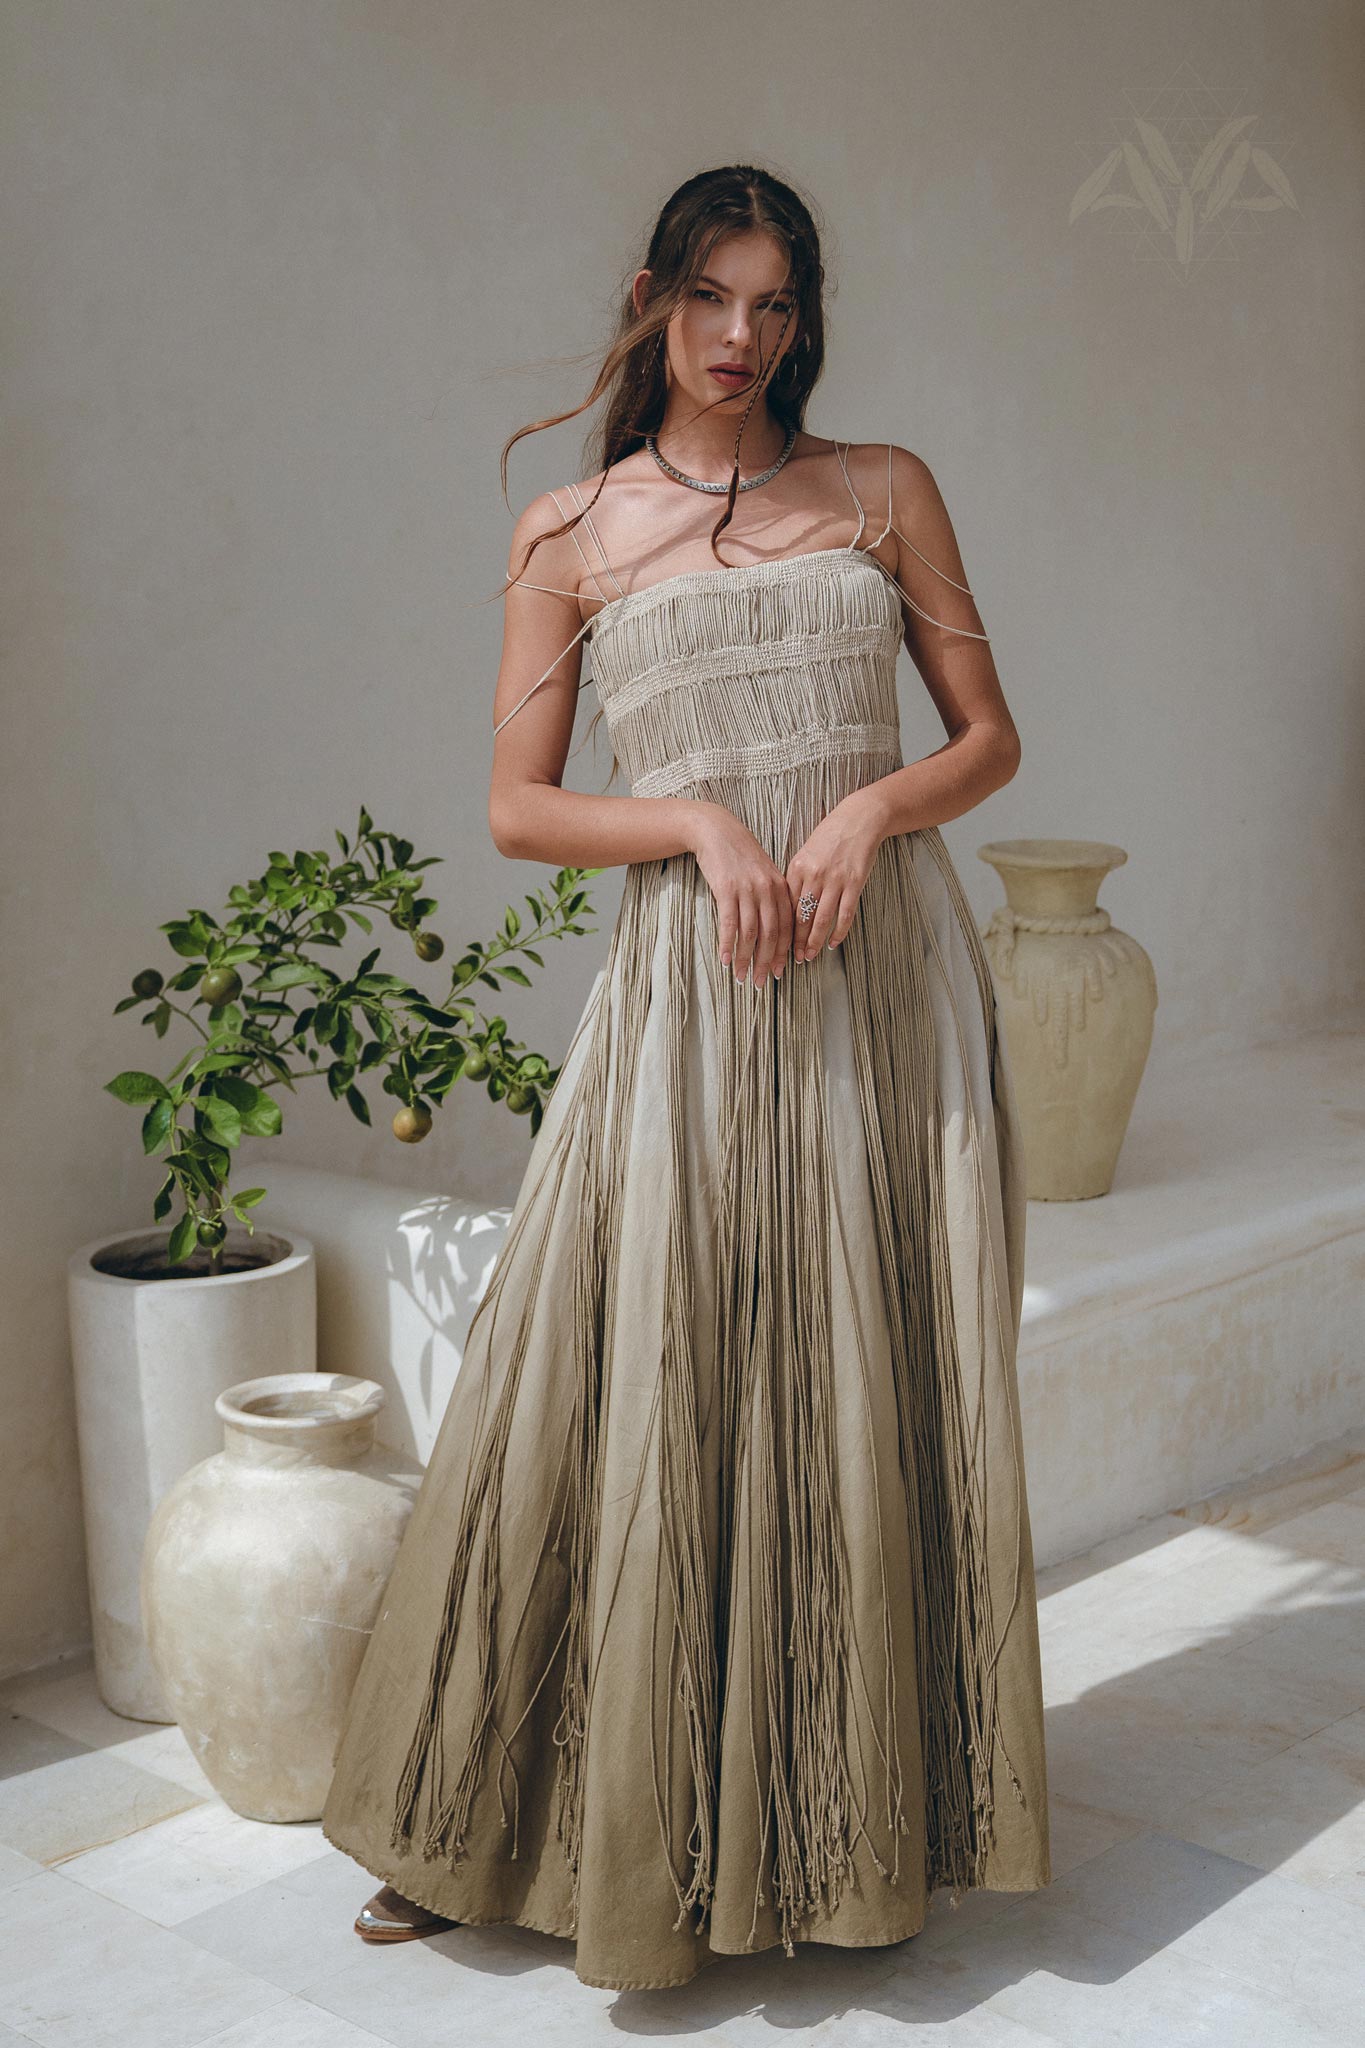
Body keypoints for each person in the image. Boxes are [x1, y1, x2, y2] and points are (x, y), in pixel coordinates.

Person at [320, 162, 1051, 1994]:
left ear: (806, 317)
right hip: (693, 993)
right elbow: (515, 808)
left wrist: (872, 807)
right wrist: (700, 823)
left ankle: (857, 1824)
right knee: (623, 1365)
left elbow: (988, 740)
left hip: (880, 987)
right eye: (712, 298)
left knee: (867, 1371)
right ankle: (490, 1820)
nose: (743, 339)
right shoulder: (568, 530)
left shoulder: (881, 494)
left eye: (776, 304)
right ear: (650, 297)